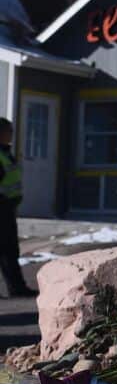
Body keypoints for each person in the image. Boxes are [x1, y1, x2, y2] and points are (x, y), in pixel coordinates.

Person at [0, 117, 36, 297]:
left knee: (9, 250)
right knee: (7, 249)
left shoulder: (5, 153)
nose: (11, 135)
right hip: (2, 206)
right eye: (9, 131)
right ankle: (17, 287)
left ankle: (17, 287)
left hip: (7, 207)